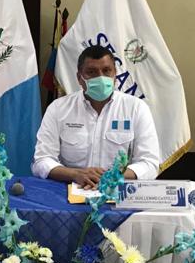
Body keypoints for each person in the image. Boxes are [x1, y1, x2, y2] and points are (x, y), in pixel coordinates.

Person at [32, 45, 160, 188]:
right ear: (79, 78)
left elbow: (150, 163)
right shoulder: (58, 109)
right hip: (68, 190)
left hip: (117, 190)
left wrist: (113, 176)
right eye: (91, 72)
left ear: (115, 75)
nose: (100, 77)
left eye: (106, 71)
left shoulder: (136, 108)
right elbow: (41, 161)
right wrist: (75, 174)